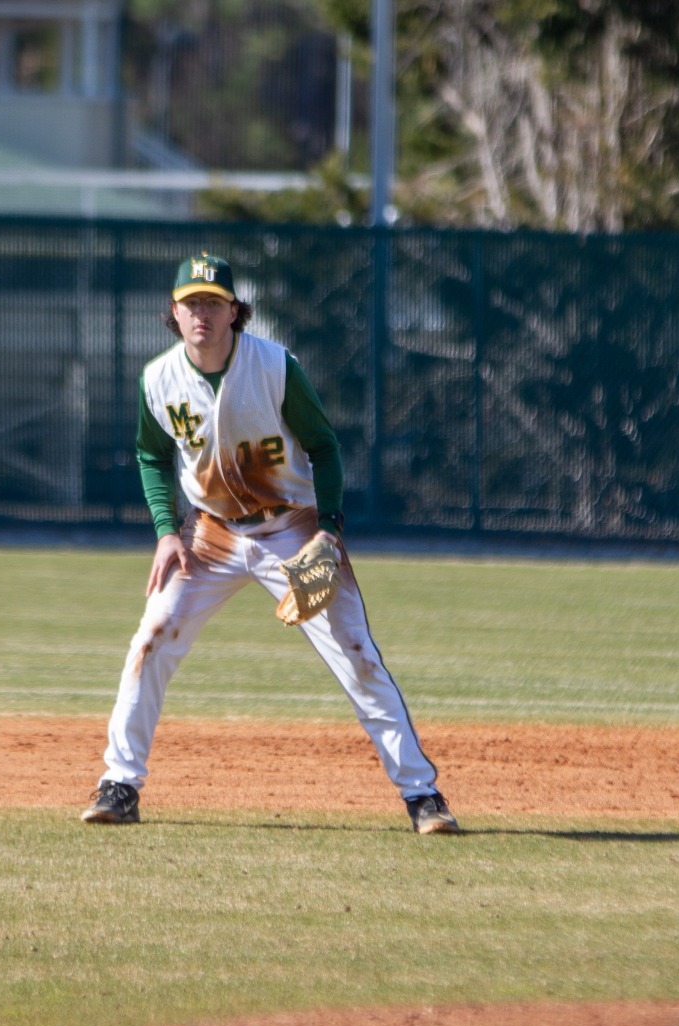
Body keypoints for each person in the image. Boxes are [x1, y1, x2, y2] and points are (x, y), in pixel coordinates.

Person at [81, 253, 459, 835]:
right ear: (174, 313)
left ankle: (423, 795)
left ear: (235, 311)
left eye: (212, 302)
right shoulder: (158, 379)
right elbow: (152, 455)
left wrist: (329, 532)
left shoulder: (276, 367)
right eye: (190, 303)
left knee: (356, 654)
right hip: (208, 534)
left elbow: (325, 447)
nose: (201, 313)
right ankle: (119, 784)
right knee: (152, 639)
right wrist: (164, 531)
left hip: (294, 529)